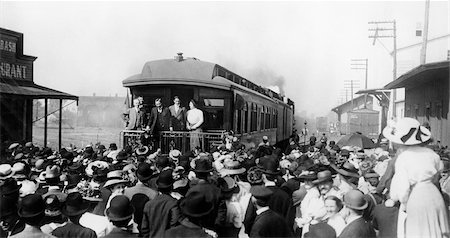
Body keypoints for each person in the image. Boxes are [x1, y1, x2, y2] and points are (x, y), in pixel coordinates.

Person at [384, 117, 449, 238]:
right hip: (434, 195)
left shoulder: (403, 157)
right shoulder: (432, 154)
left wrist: (399, 201)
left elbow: (402, 188)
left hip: (417, 197)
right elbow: (437, 173)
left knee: (418, 232)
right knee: (435, 230)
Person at [141, 169, 181, 238]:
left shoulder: (148, 204)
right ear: (171, 187)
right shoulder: (174, 203)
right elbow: (174, 223)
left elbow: (144, 228)